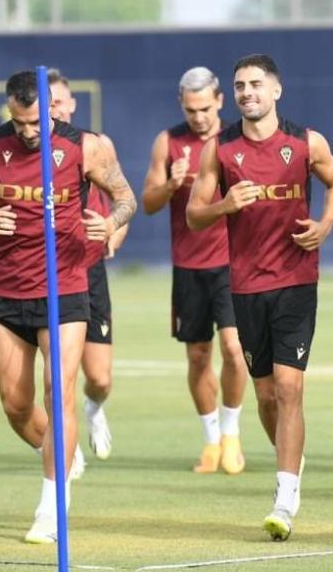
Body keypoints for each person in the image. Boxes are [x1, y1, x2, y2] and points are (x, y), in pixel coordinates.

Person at [0, 70, 136, 543]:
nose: (29, 131)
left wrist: (107, 224)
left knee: (59, 392)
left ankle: (52, 506)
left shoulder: (85, 147)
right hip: (8, 290)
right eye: (20, 121)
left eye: (35, 121)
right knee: (14, 403)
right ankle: (62, 452)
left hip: (65, 288)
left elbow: (126, 198)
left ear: (51, 107)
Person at [187, 54, 333, 541]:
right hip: (246, 286)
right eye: (240, 86)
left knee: (289, 386)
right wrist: (223, 205)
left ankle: (285, 494)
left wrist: (324, 226)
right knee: (264, 395)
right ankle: (291, 457)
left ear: (276, 91)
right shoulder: (220, 149)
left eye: (256, 84)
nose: (247, 92)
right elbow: (195, 214)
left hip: (296, 281)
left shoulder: (305, 142)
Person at [141, 67, 249, 475]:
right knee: (198, 355)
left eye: (205, 108)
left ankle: (232, 433)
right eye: (191, 110)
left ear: (220, 100)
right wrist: (170, 185)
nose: (199, 117)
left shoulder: (237, 141)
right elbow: (148, 202)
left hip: (231, 263)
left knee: (235, 351)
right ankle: (209, 442)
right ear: (181, 105)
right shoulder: (168, 142)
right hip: (189, 266)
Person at [48, 69, 128, 462]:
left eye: (59, 101)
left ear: (72, 104)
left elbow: (122, 201)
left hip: (89, 267)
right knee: (57, 375)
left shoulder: (94, 146)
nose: (54, 109)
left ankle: (94, 409)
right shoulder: (27, 149)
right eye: (46, 104)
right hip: (46, 272)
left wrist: (113, 231)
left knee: (98, 377)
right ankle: (66, 447)